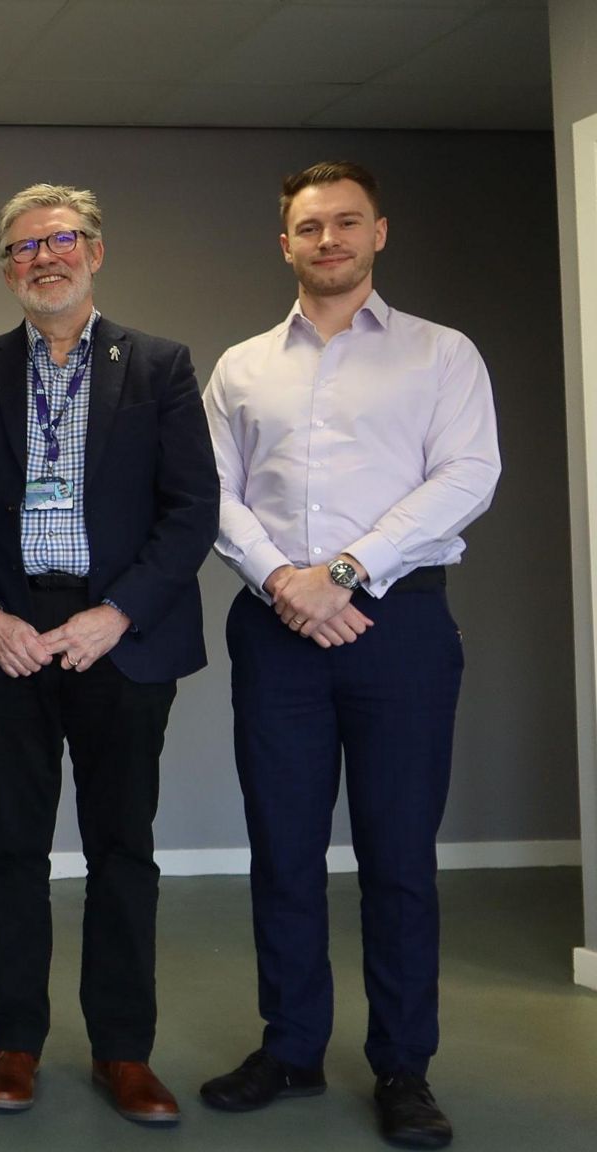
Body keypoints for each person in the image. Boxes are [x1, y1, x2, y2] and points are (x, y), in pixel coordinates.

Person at [199, 161, 499, 1151]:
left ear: (377, 232)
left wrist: (343, 569)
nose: (325, 240)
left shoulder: (439, 354)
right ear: (281, 243)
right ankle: (289, 1048)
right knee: (282, 852)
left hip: (399, 628)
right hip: (274, 627)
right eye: (305, 226)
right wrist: (286, 581)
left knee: (396, 857)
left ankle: (401, 1069)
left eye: (343, 223)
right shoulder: (241, 366)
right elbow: (211, 493)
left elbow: (466, 475)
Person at [0, 184, 217, 1127]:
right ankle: (14, 1041)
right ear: (5, 267)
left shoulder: (163, 367)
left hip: (119, 644)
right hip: (6, 645)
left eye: (59, 241)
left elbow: (191, 514)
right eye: (20, 248)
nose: (40, 259)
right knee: (11, 851)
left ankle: (123, 1051)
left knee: (122, 852)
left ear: (95, 250)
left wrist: (117, 615)